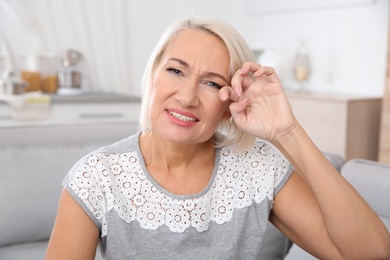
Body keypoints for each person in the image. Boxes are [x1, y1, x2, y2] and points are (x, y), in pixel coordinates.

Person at [45, 17, 390, 260]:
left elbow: (370, 251)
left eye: (211, 83)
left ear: (230, 103)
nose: (187, 97)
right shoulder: (96, 176)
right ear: (153, 76)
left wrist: (288, 132)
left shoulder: (259, 167)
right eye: (176, 71)